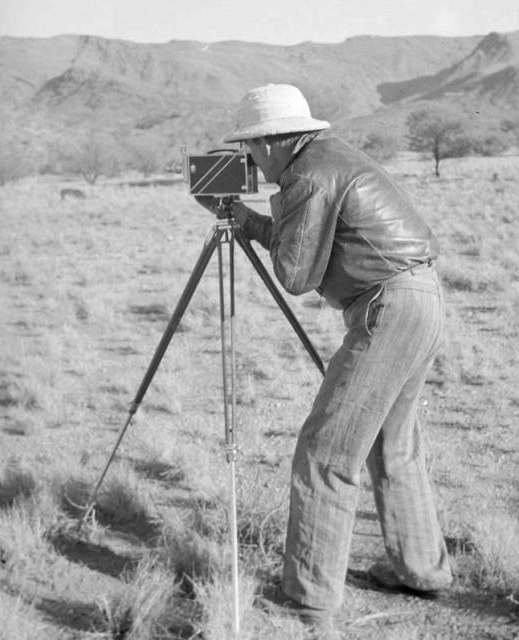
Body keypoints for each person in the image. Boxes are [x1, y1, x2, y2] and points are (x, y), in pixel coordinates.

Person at [196, 83, 452, 638]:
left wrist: (250, 215)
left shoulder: (308, 175)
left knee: (325, 452)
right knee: (392, 446)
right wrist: (248, 219)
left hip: (389, 307)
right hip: (420, 299)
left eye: (250, 149)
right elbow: (307, 257)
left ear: (273, 140)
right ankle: (420, 569)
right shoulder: (326, 160)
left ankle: (308, 597)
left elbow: (295, 276)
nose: (249, 160)